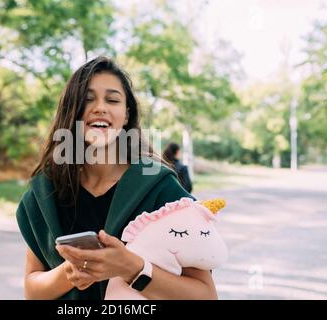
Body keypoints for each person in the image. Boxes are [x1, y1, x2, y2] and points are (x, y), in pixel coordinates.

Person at [16, 56, 218, 300]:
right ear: (71, 111)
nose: (100, 107)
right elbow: (32, 290)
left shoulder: (160, 189)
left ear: (125, 115)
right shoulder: (46, 192)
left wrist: (131, 268)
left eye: (112, 100)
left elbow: (205, 295)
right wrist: (73, 269)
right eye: (87, 99)